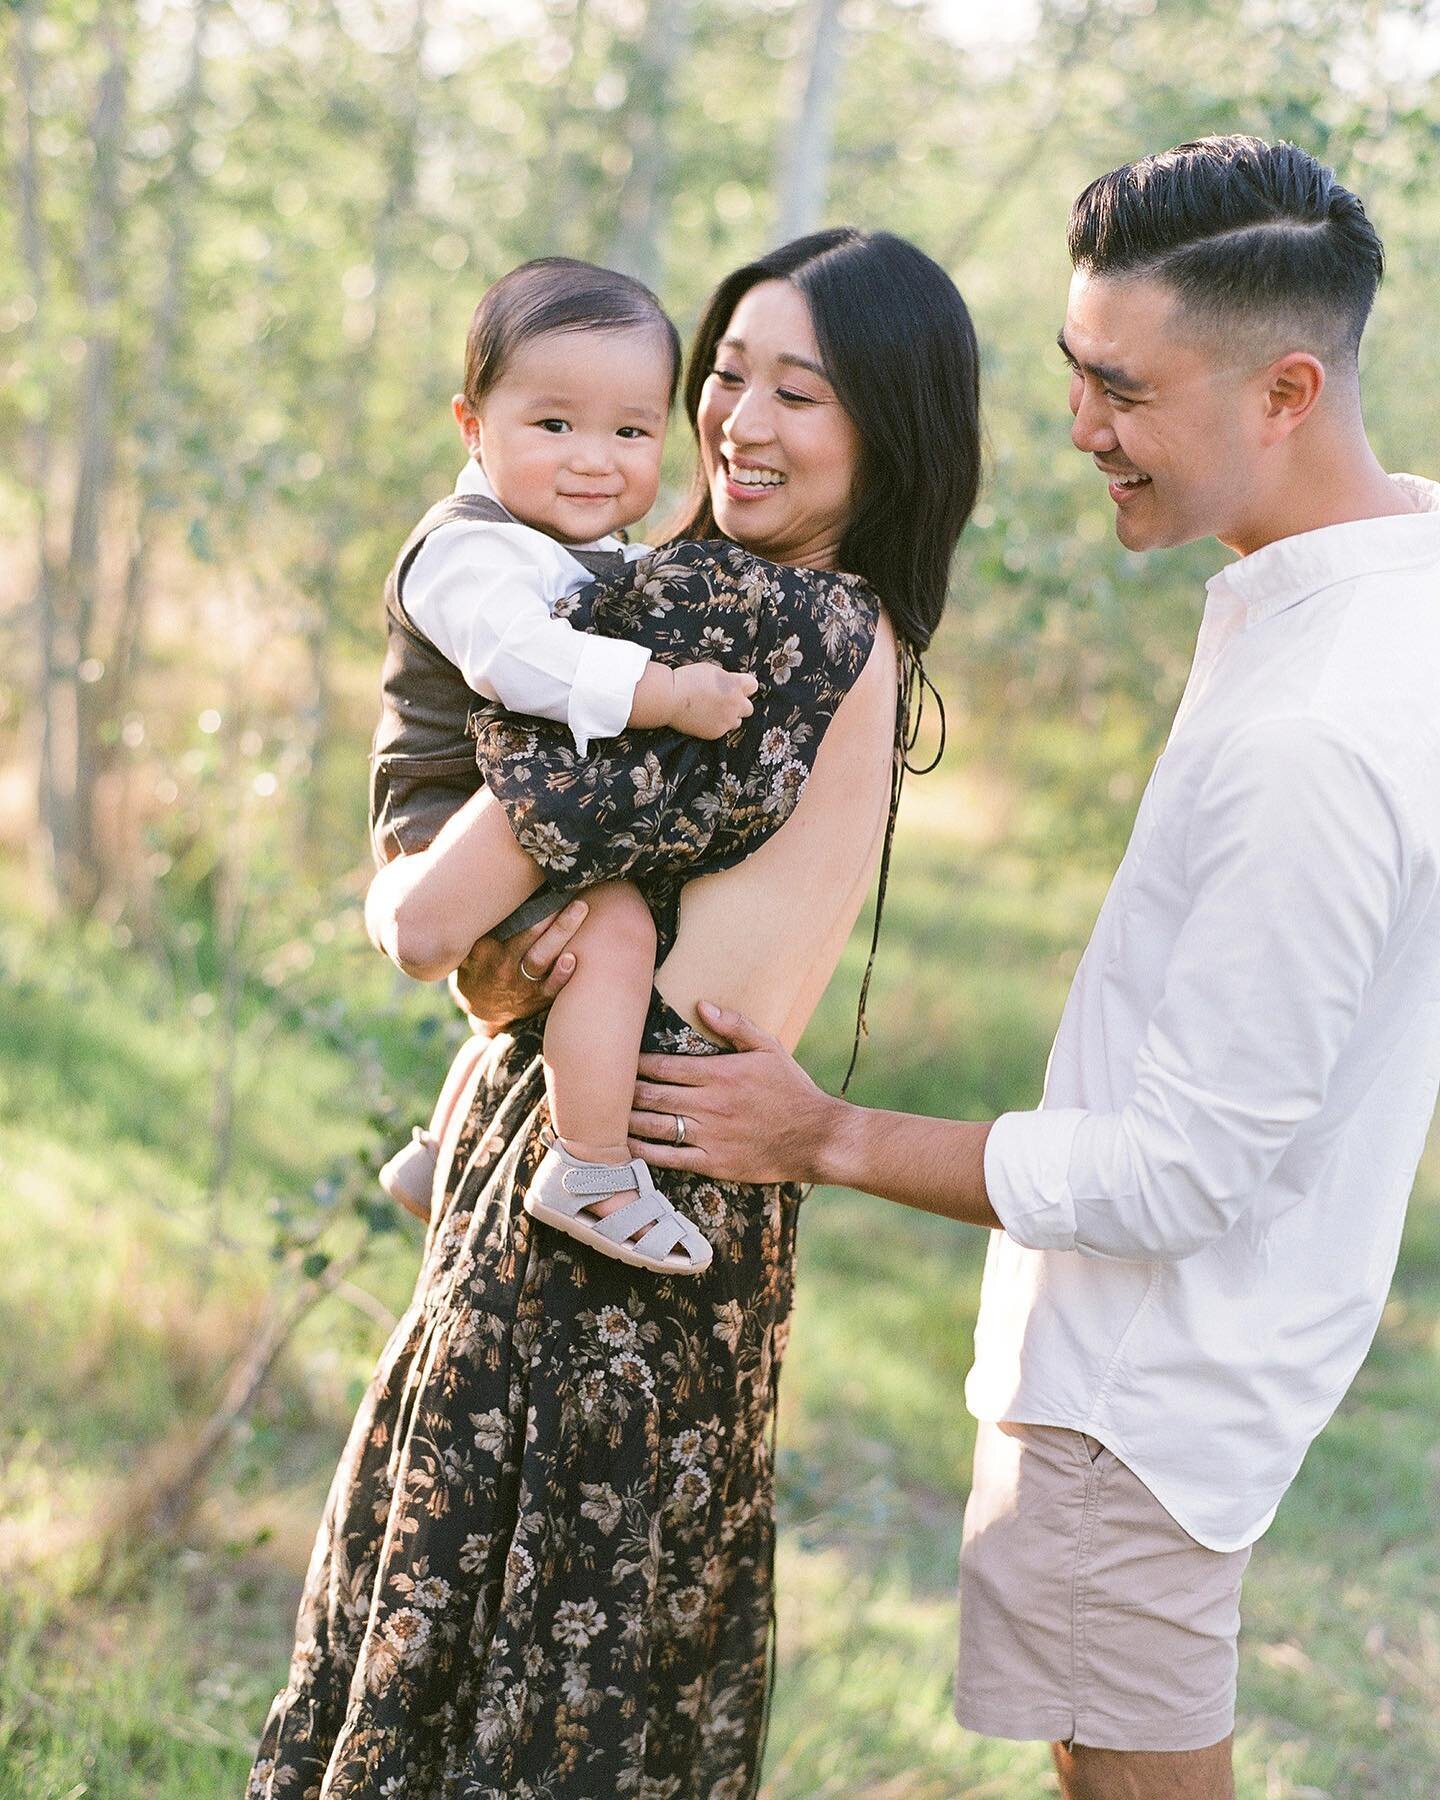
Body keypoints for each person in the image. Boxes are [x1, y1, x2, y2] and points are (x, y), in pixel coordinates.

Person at [632, 136, 1440, 1800]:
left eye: (1123, 391)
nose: (1080, 430)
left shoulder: (1318, 734)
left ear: (1287, 390)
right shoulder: (1385, 590)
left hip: (1144, 1401)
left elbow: (1182, 1170)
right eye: (1076, 374)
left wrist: (827, 1135)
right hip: (1196, 1370)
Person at [249, 226, 981, 1797]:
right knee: (615, 1655)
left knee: (492, 1640)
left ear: (892, 426)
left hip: (615, 1174)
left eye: (808, 391)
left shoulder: (746, 613)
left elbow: (473, 881)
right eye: (727, 374)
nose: (745, 422)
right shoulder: (859, 621)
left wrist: (409, 909)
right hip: (688, 1190)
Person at [368, 257, 756, 1273]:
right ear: (472, 427)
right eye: (554, 426)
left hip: (510, 802)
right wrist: (668, 693)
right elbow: (518, 660)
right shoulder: (473, 550)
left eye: (630, 431)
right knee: (617, 932)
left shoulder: (580, 543)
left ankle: (439, 1147)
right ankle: (589, 1165)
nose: (595, 460)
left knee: (567, 957)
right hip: (452, 811)